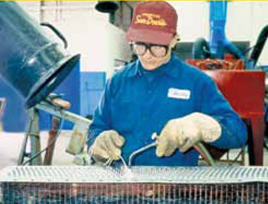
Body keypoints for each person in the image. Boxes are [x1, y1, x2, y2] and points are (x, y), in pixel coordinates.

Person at [86, 1, 247, 166]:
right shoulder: (117, 82)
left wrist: (201, 125)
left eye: (156, 47)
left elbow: (238, 132)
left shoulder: (197, 82)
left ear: (174, 40)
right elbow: (95, 129)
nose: (147, 55)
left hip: (175, 186)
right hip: (123, 183)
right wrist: (97, 143)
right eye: (140, 45)